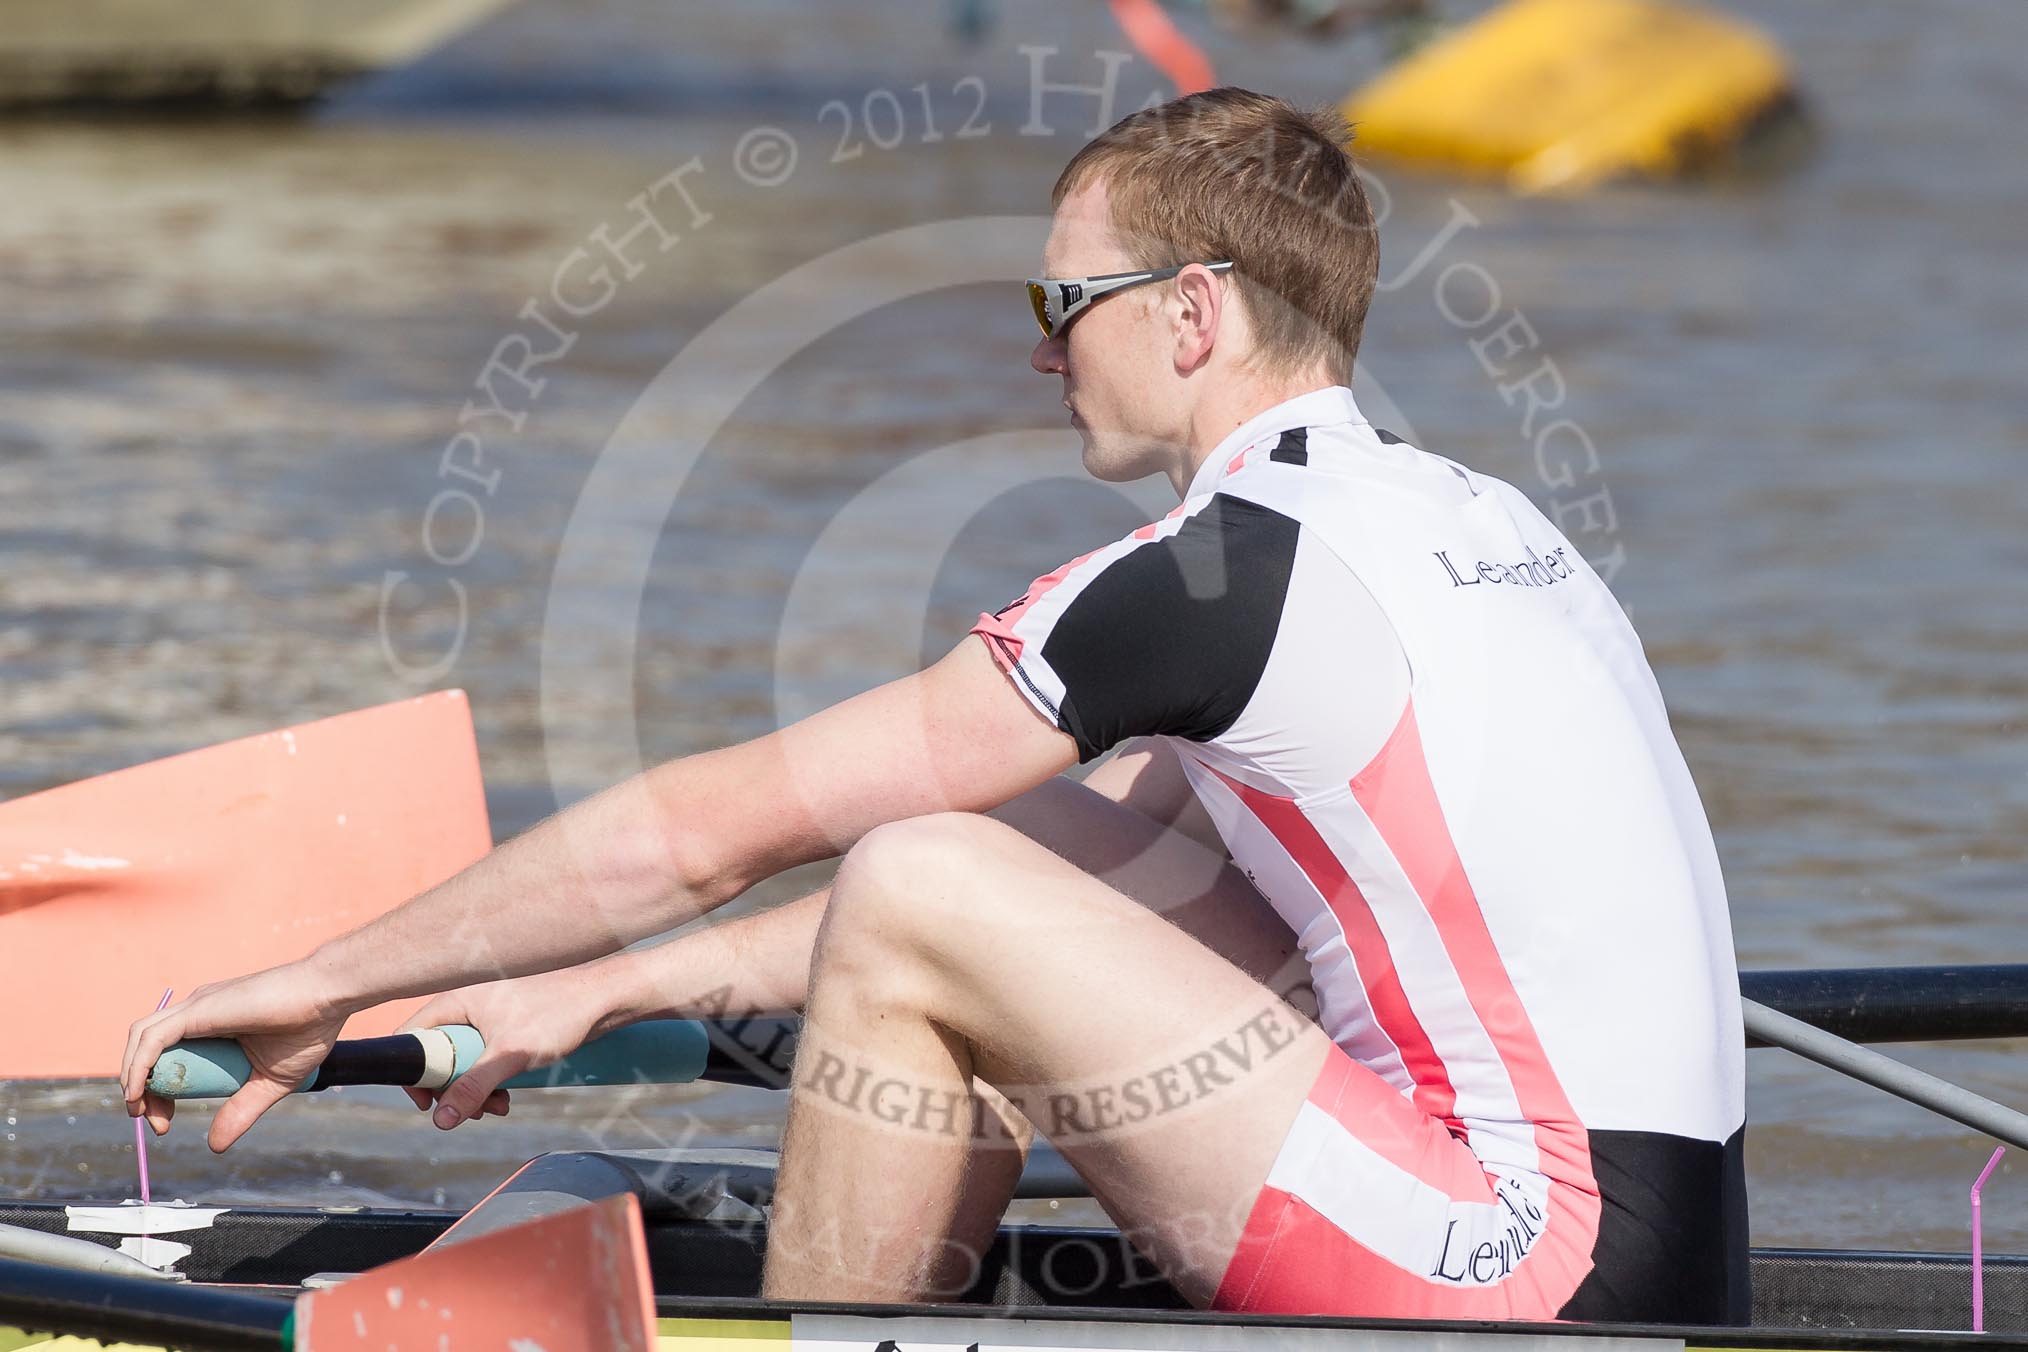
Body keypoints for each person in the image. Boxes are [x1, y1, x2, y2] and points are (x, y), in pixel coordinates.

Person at [123, 88, 1747, 1323]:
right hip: (1672, 1264)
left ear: (1192, 314)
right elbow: (1083, 886)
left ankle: (828, 1341)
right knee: (954, 902)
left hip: (1533, 1271)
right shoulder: (1468, 521)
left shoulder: (1214, 582)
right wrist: (596, 993)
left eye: (1062, 306)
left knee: (914, 875)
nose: (1042, 355)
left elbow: (714, 827)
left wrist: (321, 979)